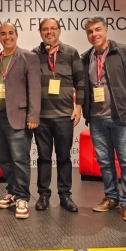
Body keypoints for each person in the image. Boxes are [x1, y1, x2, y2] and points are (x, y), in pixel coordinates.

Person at [81, 15, 126, 222]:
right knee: (105, 162)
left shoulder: (125, 52)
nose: (94, 34)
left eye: (98, 30)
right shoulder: (86, 58)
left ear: (106, 30)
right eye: (90, 32)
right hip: (97, 120)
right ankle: (111, 197)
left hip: (122, 119)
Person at [32, 18, 85, 212]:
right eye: (45, 29)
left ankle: (65, 195)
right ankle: (43, 195)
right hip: (41, 117)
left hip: (64, 115)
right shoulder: (33, 55)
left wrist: (78, 107)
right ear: (40, 33)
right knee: (43, 157)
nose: (49, 32)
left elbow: (80, 82)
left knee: (64, 157)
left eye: (53, 28)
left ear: (59, 31)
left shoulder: (71, 53)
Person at [0, 22, 41, 219]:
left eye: (10, 33)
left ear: (16, 35)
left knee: (20, 159)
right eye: (3, 34)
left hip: (19, 116)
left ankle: (22, 198)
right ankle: (12, 191)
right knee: (5, 159)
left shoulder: (28, 57)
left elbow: (35, 89)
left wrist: (33, 116)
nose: (7, 37)